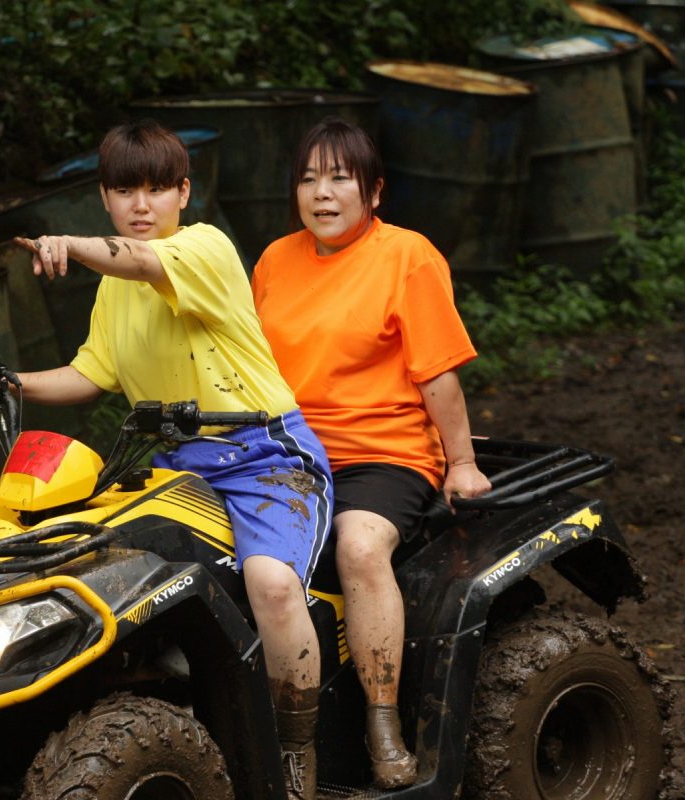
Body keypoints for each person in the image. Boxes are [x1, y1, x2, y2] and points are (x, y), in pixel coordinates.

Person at [0, 119, 333, 800]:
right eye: (125, 191)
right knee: (112, 573)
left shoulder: (203, 248)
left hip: (265, 456)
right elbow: (89, 374)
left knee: (271, 584)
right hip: (181, 465)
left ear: (183, 193)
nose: (141, 205)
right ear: (105, 197)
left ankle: (296, 750)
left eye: (157, 189)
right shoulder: (113, 289)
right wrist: (7, 381)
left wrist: (69, 244)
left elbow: (139, 260)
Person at [250, 116, 492, 789]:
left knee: (358, 547)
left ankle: (381, 722)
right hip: (290, 454)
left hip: (382, 450)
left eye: (338, 178)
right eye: (308, 179)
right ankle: (279, 733)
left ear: (374, 190)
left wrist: (461, 462)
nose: (321, 193)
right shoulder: (274, 261)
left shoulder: (407, 256)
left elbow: (438, 374)